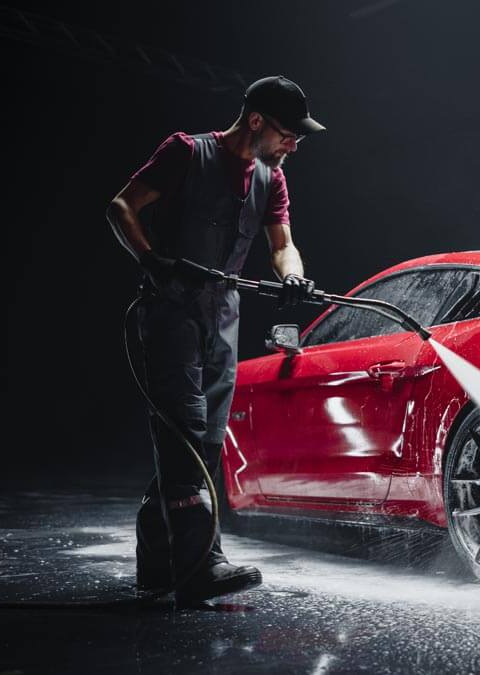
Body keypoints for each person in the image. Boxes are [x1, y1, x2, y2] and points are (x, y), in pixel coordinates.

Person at [106, 76, 325, 605]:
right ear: (256, 121)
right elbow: (121, 207)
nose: (294, 144)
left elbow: (283, 244)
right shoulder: (186, 152)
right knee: (183, 434)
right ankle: (203, 563)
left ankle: (157, 567)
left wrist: (292, 274)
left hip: (222, 317)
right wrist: (152, 262)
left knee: (204, 444)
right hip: (170, 310)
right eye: (288, 134)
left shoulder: (271, 179)